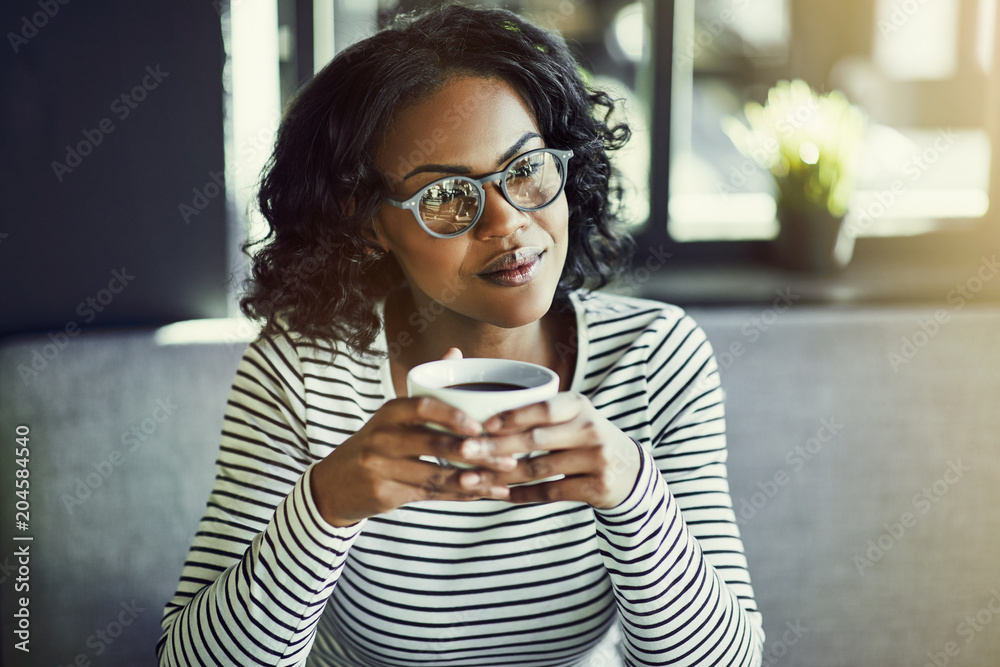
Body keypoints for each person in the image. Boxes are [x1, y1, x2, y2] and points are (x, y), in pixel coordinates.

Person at [158, 4, 765, 665]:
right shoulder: (302, 374)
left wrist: (633, 489)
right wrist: (324, 504)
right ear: (369, 226)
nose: (506, 222)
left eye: (527, 168)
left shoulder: (653, 358)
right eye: (447, 194)